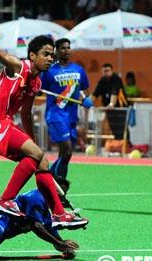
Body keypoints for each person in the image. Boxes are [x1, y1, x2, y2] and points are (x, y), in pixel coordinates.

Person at [0, 7, 88, 230]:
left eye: (52, 55)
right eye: (46, 54)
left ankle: (58, 214)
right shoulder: (18, 67)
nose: (50, 58)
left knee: (42, 161)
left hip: (5, 124)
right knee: (37, 156)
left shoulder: (36, 83)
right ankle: (5, 199)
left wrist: (33, 143)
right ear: (32, 56)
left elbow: (25, 114)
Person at [40, 37, 92, 182]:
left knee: (66, 154)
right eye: (63, 48)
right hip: (56, 115)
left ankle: (49, 183)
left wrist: (84, 99)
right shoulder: (49, 71)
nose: (66, 50)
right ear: (56, 51)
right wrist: (37, 90)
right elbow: (39, 88)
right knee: (67, 150)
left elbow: (84, 89)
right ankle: (58, 186)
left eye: (68, 47)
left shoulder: (78, 70)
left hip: (71, 117)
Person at [91, 63, 129, 140]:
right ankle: (118, 143)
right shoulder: (102, 81)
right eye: (104, 71)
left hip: (120, 109)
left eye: (108, 71)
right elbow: (94, 93)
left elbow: (114, 93)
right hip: (109, 110)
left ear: (111, 71)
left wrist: (112, 104)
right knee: (113, 128)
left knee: (121, 128)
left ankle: (126, 144)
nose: (106, 73)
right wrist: (87, 102)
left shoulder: (116, 79)